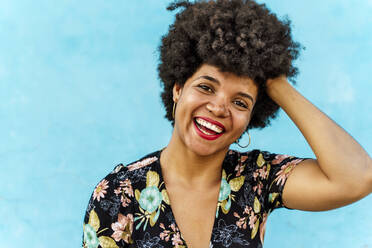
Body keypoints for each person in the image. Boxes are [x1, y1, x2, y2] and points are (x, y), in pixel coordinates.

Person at [82, 0, 372, 247]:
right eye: (206, 87)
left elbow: (356, 178)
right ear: (178, 88)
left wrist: (273, 80)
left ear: (251, 119)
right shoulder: (117, 194)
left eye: (240, 102)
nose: (219, 107)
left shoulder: (256, 178)